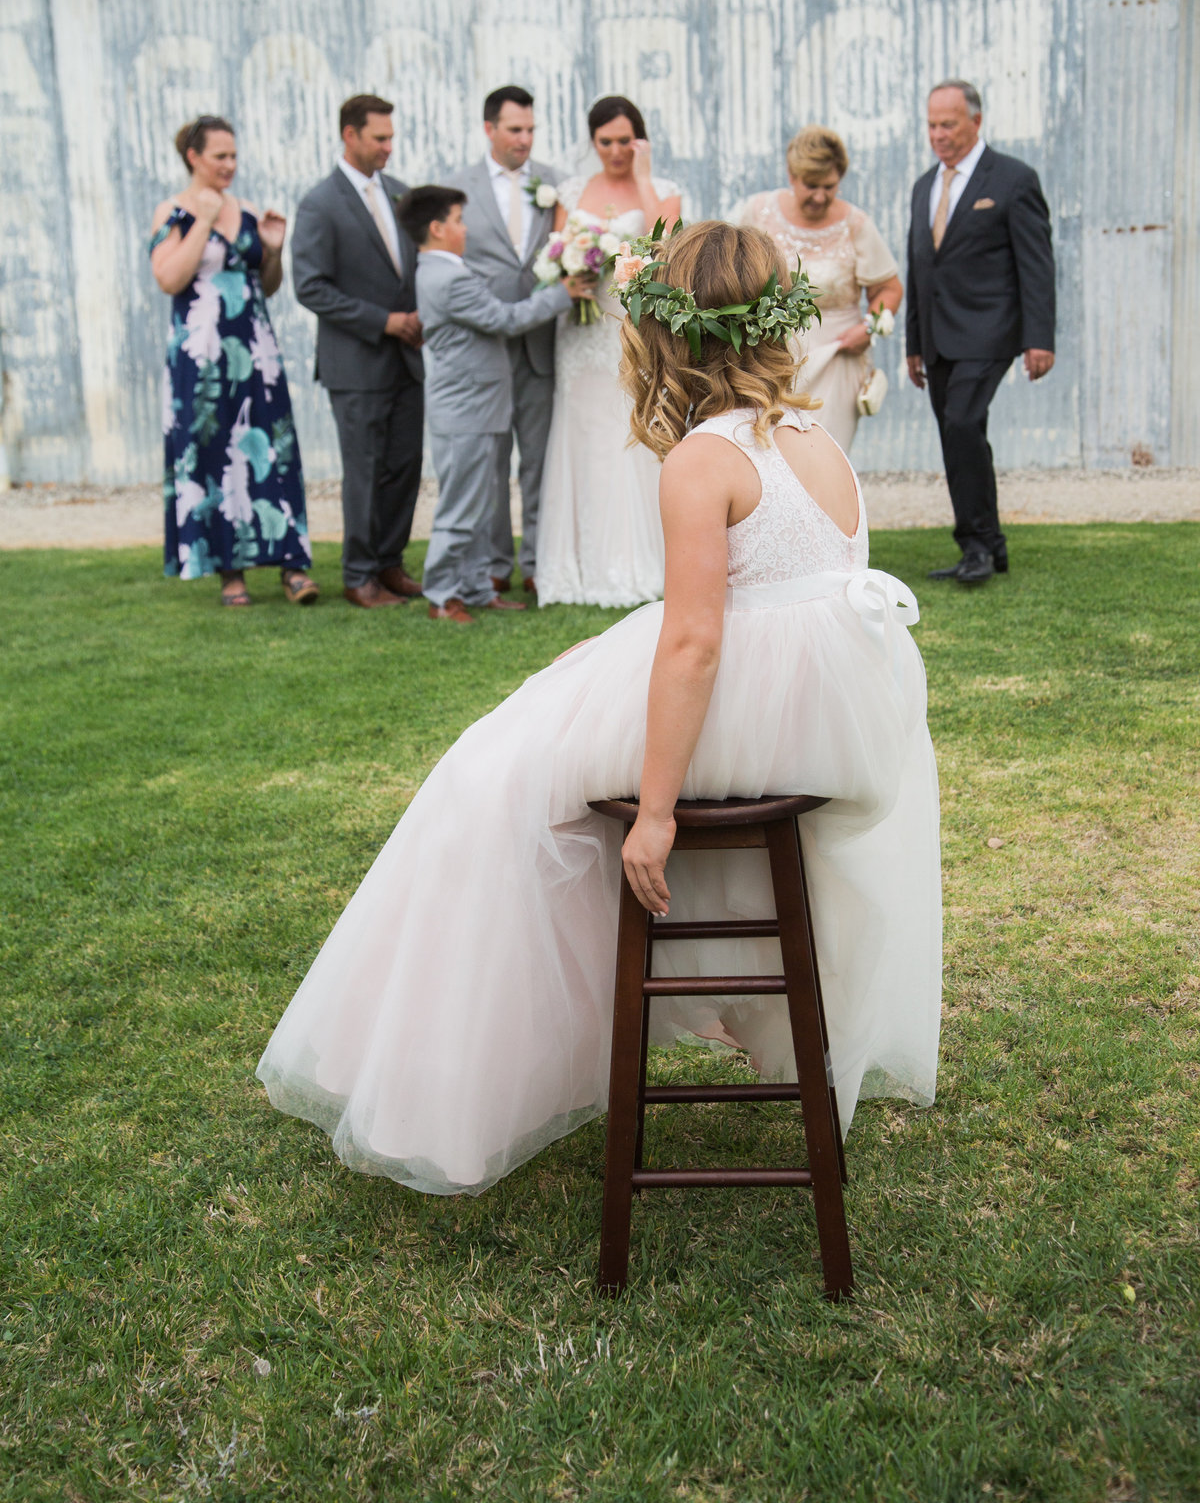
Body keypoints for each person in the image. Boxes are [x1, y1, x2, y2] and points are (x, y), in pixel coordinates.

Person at [257, 219, 941, 1199]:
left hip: (749, 711)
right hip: (838, 713)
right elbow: (764, 594)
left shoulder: (701, 459)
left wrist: (656, 813)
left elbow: (699, 646)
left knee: (490, 781)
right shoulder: (812, 436)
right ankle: (698, 1011)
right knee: (552, 712)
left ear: (663, 330)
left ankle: (462, 1082)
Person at [403, 185, 593, 623]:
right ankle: (441, 594)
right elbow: (506, 319)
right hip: (465, 410)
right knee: (460, 505)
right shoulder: (447, 277)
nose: (464, 228)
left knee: (480, 503)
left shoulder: (444, 270)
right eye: (457, 220)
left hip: (478, 405)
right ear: (437, 228)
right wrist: (562, 293)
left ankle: (473, 587)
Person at [151, 115, 316, 607]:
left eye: (234, 155)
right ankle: (231, 572)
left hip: (255, 349)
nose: (230, 165)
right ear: (193, 157)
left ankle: (292, 565)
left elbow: (266, 286)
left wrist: (272, 250)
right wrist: (203, 219)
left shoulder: (246, 209)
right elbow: (169, 278)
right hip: (200, 357)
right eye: (220, 156)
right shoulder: (172, 211)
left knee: (272, 448)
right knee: (214, 452)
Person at [906, 80, 1056, 586]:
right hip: (937, 338)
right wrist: (912, 345)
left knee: (964, 424)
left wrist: (1041, 338)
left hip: (990, 331)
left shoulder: (1014, 179)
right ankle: (989, 543)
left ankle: (975, 547)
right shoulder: (924, 186)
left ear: (976, 121)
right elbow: (919, 267)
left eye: (948, 124)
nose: (938, 135)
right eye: (931, 124)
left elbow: (1036, 265)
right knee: (957, 435)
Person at [536, 95, 682, 607]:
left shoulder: (663, 191)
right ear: (592, 142)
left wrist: (643, 175)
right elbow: (557, 247)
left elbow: (665, 252)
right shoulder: (573, 190)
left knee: (631, 433)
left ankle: (640, 563)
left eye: (625, 141)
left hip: (633, 330)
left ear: (639, 140)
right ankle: (579, 567)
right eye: (606, 142)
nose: (616, 151)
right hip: (580, 334)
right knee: (583, 437)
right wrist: (571, 266)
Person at [292, 95, 423, 609]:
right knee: (365, 469)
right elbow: (310, 287)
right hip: (356, 362)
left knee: (405, 465)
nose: (389, 147)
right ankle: (359, 574)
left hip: (408, 358)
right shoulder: (319, 204)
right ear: (350, 135)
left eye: (391, 137)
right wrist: (384, 321)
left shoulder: (401, 194)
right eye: (379, 138)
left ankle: (390, 563)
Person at [445, 86, 562, 598]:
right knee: (491, 465)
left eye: (531, 129)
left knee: (539, 461)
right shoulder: (458, 190)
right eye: (515, 129)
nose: (525, 139)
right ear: (489, 128)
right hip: (485, 346)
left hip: (541, 347)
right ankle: (495, 563)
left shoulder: (556, 184)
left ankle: (537, 562)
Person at [732, 125, 902, 453]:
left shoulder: (856, 225)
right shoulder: (757, 212)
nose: (820, 196)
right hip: (769, 358)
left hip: (838, 356)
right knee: (770, 454)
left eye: (830, 186)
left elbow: (889, 288)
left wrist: (869, 327)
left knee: (826, 454)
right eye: (811, 186)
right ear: (791, 176)